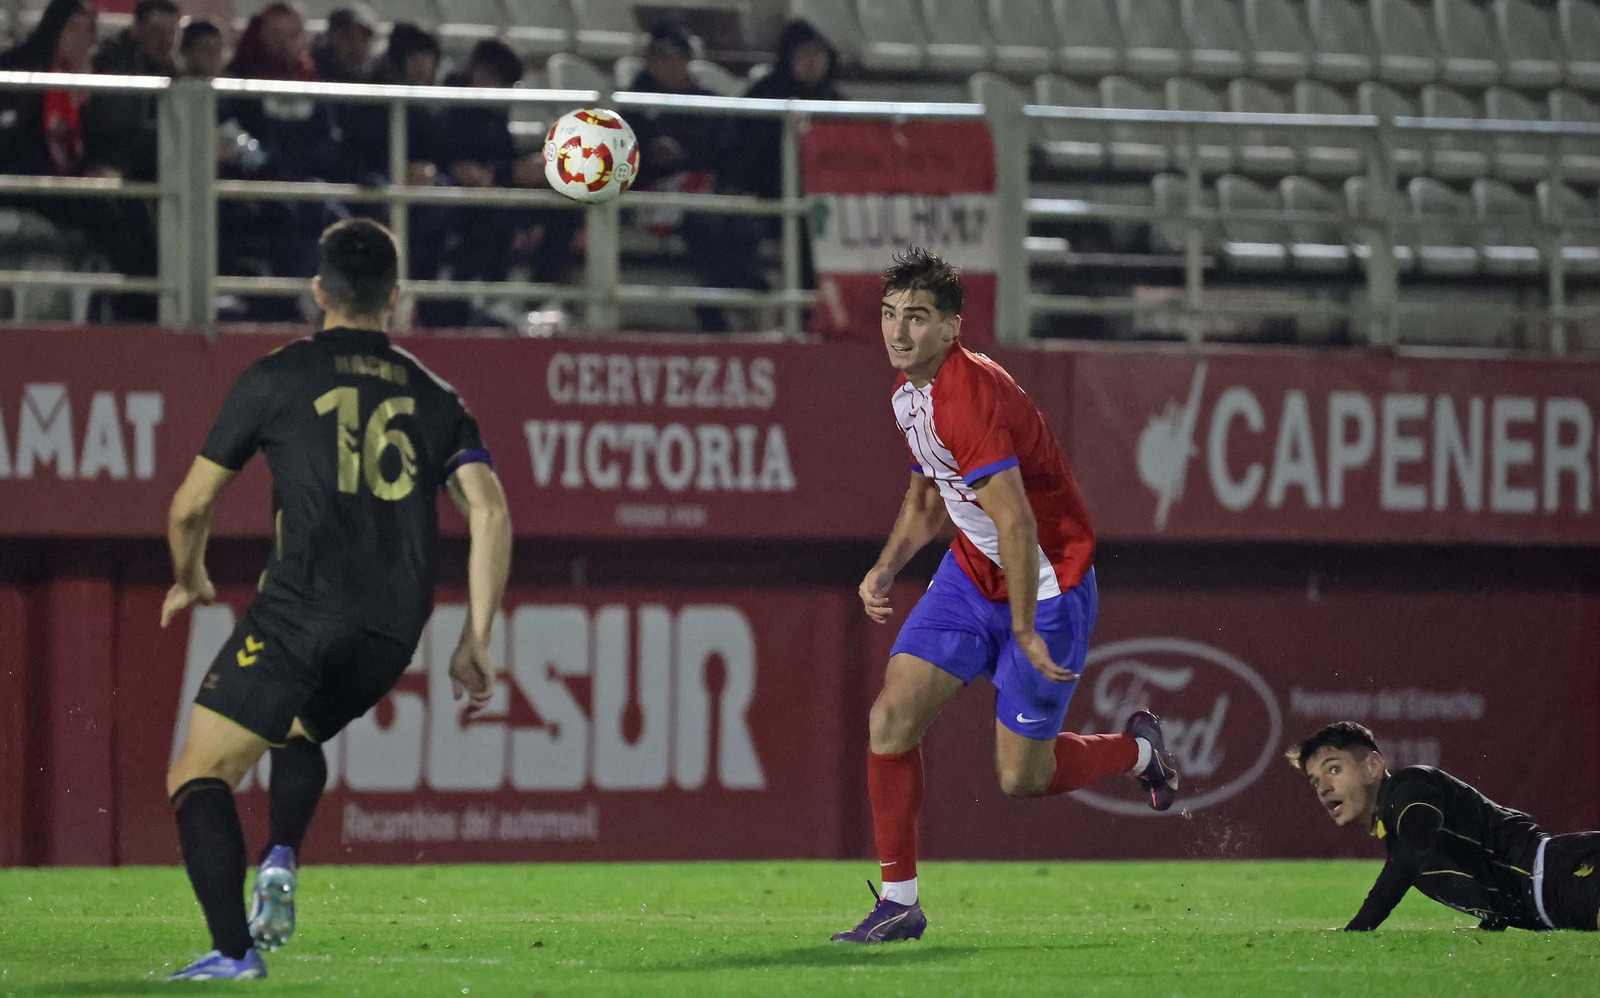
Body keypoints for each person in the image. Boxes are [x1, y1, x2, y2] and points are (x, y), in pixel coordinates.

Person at [159, 219, 512, 980]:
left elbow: (190, 506)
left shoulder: (276, 376)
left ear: (318, 291)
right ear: (398, 298)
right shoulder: (436, 395)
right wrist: (476, 637)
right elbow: (489, 510)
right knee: (294, 729)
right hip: (392, 631)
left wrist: (189, 574)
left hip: (298, 612)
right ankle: (282, 852)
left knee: (197, 775)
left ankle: (231, 953)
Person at [832, 249, 1180, 944]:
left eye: (918, 318)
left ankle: (1140, 753)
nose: (898, 333)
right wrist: (887, 564)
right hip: (972, 571)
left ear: (952, 328)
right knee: (890, 720)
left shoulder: (969, 395)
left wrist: (1022, 627)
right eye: (889, 314)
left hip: (1047, 582)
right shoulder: (909, 393)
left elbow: (1017, 522)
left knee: (1023, 778)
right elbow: (930, 492)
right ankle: (899, 903)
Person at [1291, 721, 1600, 932]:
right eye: (1315, 780)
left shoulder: (1409, 787)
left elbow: (1412, 853)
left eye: (1334, 768)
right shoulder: (1394, 825)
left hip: (1564, 871)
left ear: (1372, 766)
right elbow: (1475, 853)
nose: (1324, 787)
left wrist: (1358, 929)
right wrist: (1492, 920)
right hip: (1551, 889)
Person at [0, 0, 161, 320]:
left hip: (67, 177)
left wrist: (95, 163)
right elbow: (14, 144)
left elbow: (100, 139)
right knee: (104, 212)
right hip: (27, 182)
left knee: (133, 204)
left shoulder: (85, 78)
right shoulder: (20, 69)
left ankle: (149, 299)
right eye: (75, 28)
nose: (84, 39)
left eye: (89, 31)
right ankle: (137, 304)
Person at [627, 25, 757, 332]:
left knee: (748, 223)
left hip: (705, 189)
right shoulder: (631, 105)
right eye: (661, 58)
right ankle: (724, 303)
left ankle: (735, 290)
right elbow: (624, 156)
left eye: (676, 57)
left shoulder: (709, 102)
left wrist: (690, 159)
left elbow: (728, 153)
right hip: (652, 193)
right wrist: (653, 156)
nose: (669, 65)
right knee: (702, 222)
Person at [82, 0, 179, 180]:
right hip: (113, 160)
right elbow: (119, 125)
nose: (165, 40)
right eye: (156, 31)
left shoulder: (167, 68)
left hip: (148, 160)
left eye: (171, 32)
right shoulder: (114, 61)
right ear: (138, 28)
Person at [312, 3, 375, 83]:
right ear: (332, 37)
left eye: (363, 37)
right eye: (348, 36)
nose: (357, 44)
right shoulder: (314, 69)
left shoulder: (377, 70)